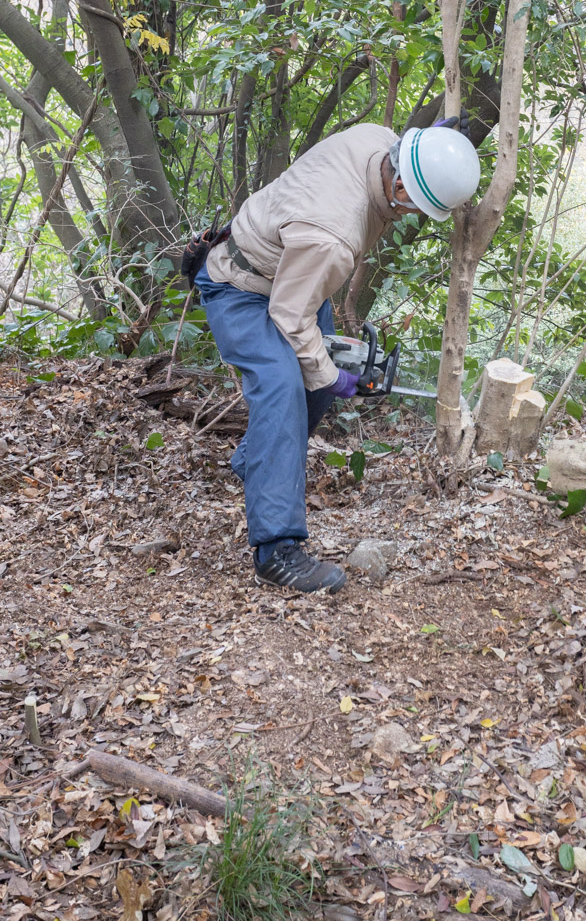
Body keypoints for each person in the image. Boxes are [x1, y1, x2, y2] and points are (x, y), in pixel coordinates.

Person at [190, 120, 480, 594]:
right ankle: (276, 552)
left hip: (294, 275)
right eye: (414, 206)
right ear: (402, 183)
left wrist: (437, 142)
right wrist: (335, 380)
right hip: (240, 286)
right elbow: (288, 319)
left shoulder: (377, 137)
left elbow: (299, 298)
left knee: (321, 374)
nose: (410, 217)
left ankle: (260, 462)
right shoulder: (334, 236)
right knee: (286, 384)